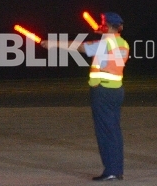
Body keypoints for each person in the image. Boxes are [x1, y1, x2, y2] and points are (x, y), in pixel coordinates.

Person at [41, 12, 129, 181]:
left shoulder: (106, 43)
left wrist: (52, 44)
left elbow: (81, 47)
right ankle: (116, 169)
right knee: (114, 131)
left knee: (105, 132)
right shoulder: (121, 42)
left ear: (107, 26)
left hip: (103, 90)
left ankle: (111, 170)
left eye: (103, 23)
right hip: (116, 90)